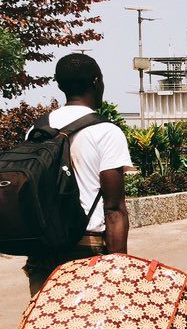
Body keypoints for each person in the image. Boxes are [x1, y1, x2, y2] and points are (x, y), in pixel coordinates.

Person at [23, 53, 133, 295]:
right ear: (97, 82)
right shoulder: (106, 131)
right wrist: (119, 271)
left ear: (60, 85)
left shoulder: (37, 129)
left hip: (43, 250)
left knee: (48, 328)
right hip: (86, 248)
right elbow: (114, 208)